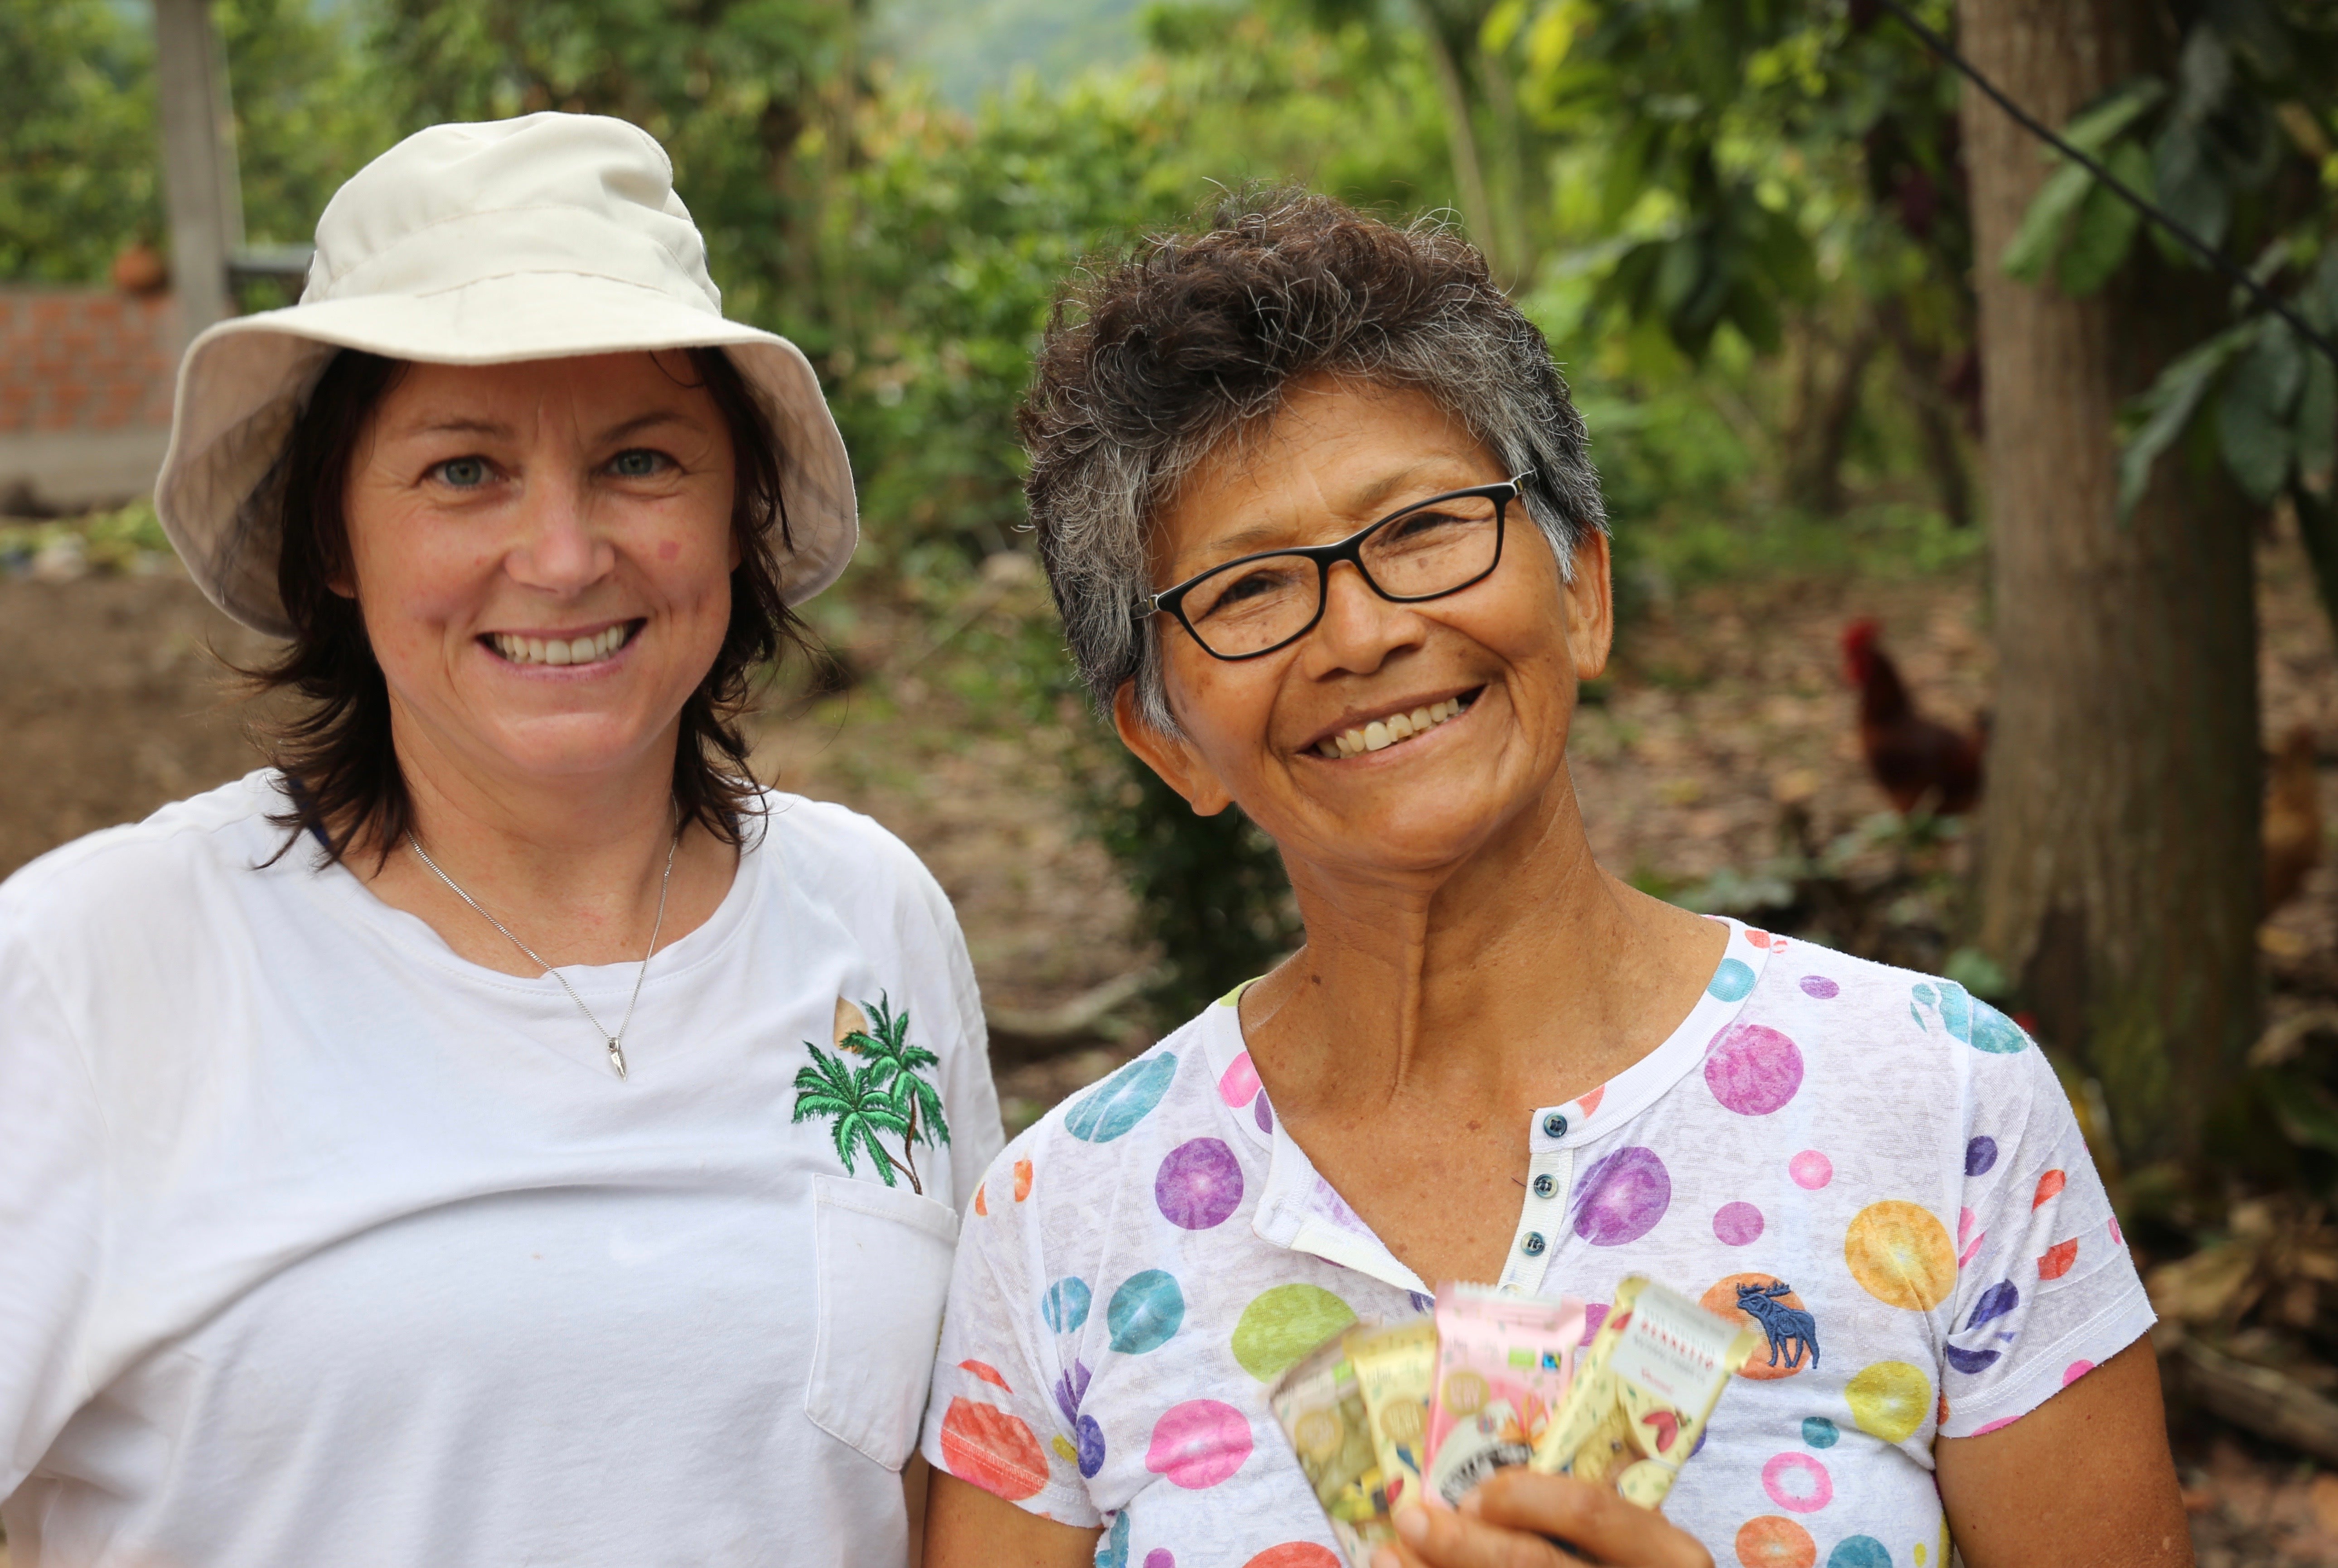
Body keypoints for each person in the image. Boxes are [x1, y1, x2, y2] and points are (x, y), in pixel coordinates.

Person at [918, 193, 2189, 1568]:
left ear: (1582, 588)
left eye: (1423, 528)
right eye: (1248, 591)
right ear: (1167, 742)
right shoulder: (1066, 1222)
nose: (1361, 631)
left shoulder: (1938, 1101)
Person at [0, 114, 1001, 1568]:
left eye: (642, 461)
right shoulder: (98, 966)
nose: (562, 555)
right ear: (335, 538)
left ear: (737, 514)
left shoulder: (872, 917)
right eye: (464, 471)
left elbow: (961, 1486)